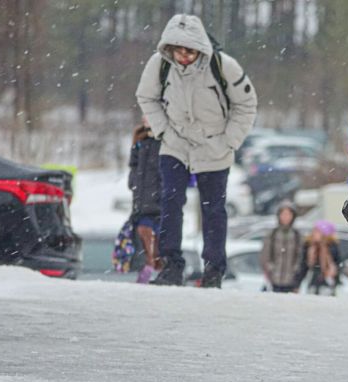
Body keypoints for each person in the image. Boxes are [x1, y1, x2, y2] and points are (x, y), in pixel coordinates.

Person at [136, 14, 257, 287]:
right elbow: (146, 97)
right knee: (170, 202)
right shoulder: (159, 66)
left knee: (213, 209)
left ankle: (213, 270)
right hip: (175, 143)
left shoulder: (224, 66)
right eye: (178, 49)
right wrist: (164, 131)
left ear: (200, 47)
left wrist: (229, 141)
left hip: (214, 146)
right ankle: (170, 265)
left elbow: (247, 104)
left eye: (189, 50)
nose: (183, 56)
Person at [128, 118, 162, 284]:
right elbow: (133, 166)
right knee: (144, 244)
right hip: (142, 206)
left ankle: (155, 273)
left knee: (157, 248)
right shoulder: (140, 139)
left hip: (159, 205)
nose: (145, 118)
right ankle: (145, 274)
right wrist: (133, 182)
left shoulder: (163, 140)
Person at [260, 201, 303, 293]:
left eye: (288, 214)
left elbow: (300, 256)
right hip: (274, 280)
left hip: (291, 281)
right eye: (283, 214)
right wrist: (270, 270)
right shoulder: (273, 234)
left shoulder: (297, 235)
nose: (286, 217)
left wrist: (296, 273)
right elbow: (265, 255)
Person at [296, 220, 341, 296]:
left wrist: (335, 280)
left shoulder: (332, 246)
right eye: (314, 230)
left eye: (318, 231)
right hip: (312, 281)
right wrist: (297, 283)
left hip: (327, 282)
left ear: (325, 234)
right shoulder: (309, 246)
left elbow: (338, 265)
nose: (314, 233)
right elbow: (304, 266)